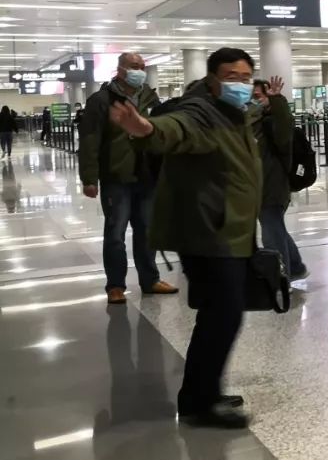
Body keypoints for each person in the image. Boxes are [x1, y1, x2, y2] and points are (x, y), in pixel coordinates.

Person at [108, 47, 262, 429]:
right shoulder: (201, 111)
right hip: (209, 232)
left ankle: (199, 394)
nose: (240, 84)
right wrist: (145, 128)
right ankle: (201, 403)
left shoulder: (233, 113)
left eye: (246, 77)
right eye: (231, 77)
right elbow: (174, 128)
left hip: (227, 229)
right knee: (223, 316)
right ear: (212, 80)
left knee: (218, 315)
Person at [79, 52, 177, 304]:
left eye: (142, 66)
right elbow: (90, 140)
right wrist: (89, 178)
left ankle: (150, 279)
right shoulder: (101, 100)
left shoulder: (150, 98)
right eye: (135, 66)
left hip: (147, 175)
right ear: (120, 69)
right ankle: (115, 286)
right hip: (116, 177)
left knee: (147, 231)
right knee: (115, 234)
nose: (140, 70)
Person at [251, 77, 309, 282]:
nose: (254, 100)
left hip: (273, 187)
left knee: (271, 233)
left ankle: (280, 279)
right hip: (260, 187)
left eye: (258, 96)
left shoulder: (274, 122)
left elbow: (284, 127)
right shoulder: (255, 121)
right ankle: (296, 266)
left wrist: (278, 101)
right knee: (275, 228)